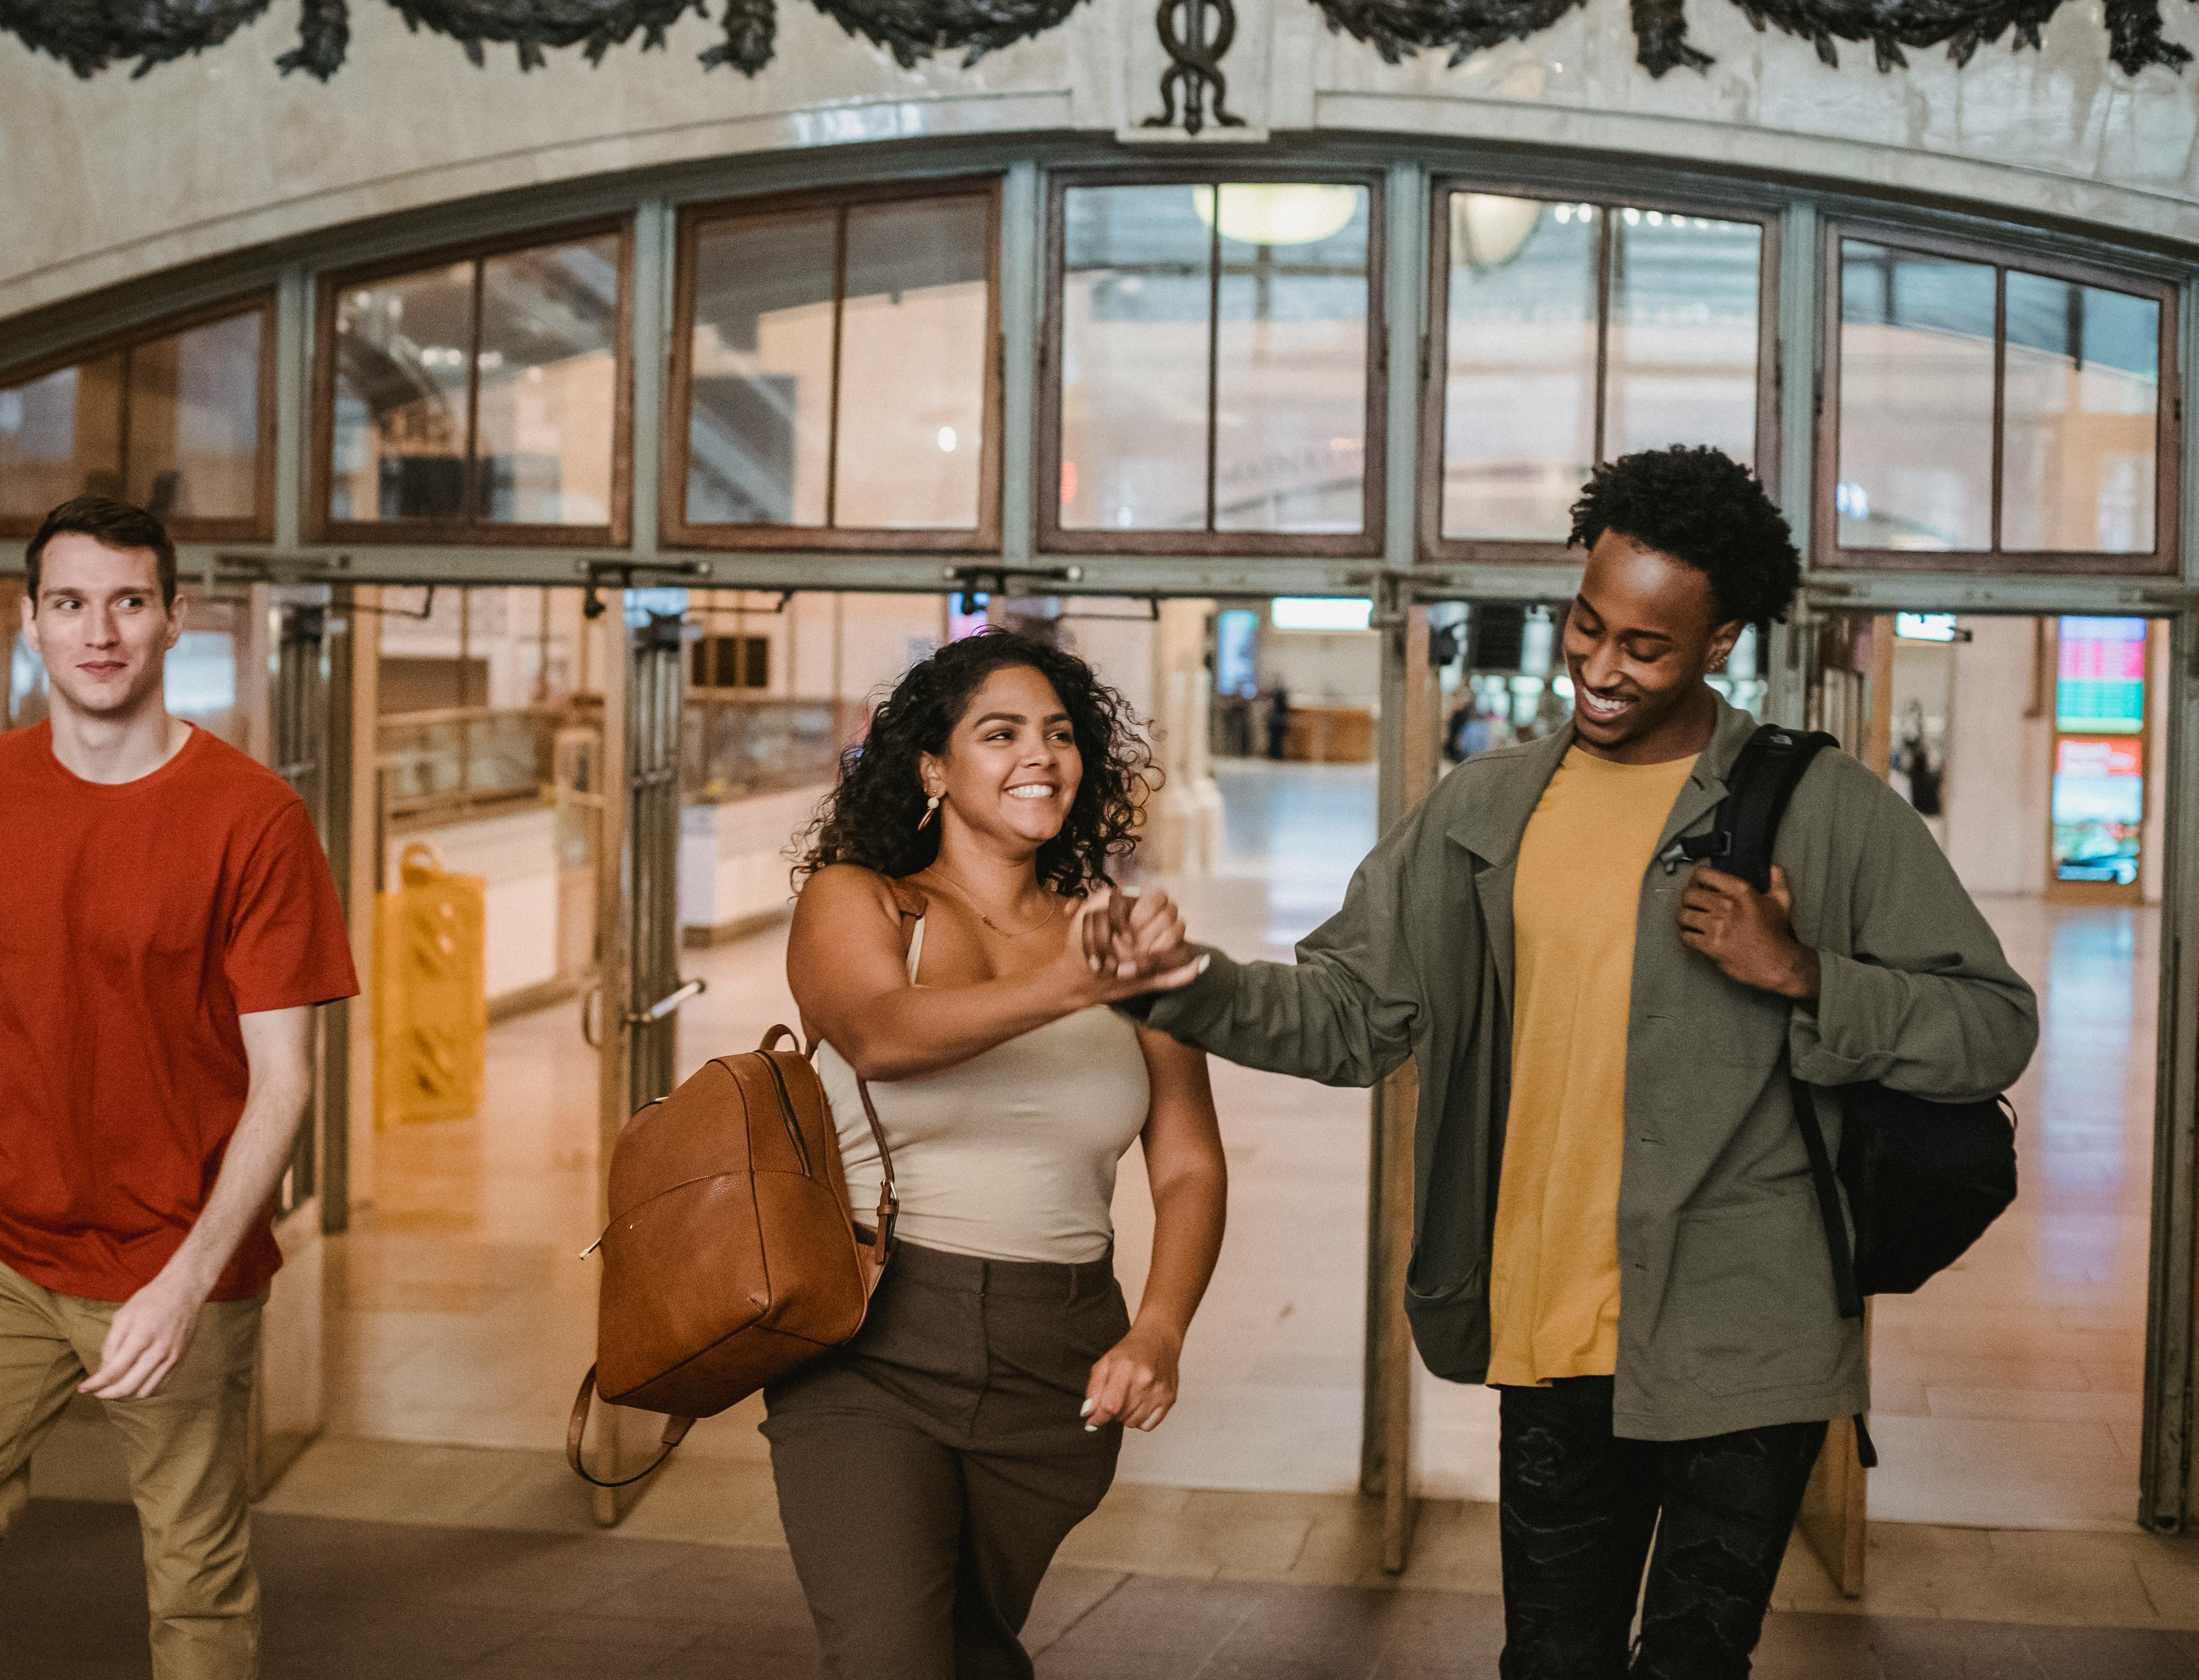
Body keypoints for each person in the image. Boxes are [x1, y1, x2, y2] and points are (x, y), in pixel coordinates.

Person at [1088, 447, 2037, 1679]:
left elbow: (1990, 1025)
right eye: (1585, 625)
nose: (1598, 666)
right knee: (1550, 1662)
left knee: (1695, 1666)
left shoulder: (1821, 808)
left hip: (1748, 1337)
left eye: (1644, 646)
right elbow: (1349, 1013)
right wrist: (1184, 983)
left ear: (1721, 641)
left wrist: (1805, 973)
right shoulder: (1486, 809)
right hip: (1548, 1325)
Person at [0, 496, 360, 1680]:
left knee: (196, 1574)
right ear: (33, 623)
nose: (100, 630)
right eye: (71, 602)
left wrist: (188, 1277)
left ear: (174, 618)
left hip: (178, 1247)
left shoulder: (254, 817)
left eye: (129, 602)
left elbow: (284, 1080)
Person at [776, 629, 1227, 1680]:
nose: (1042, 754)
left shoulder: (1120, 939)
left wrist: (1160, 1328)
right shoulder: (862, 900)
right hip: (873, 1336)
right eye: (1002, 732)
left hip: (1058, 1351)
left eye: (1061, 735)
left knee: (972, 1654)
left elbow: (1188, 1166)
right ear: (933, 767)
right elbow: (883, 1033)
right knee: (893, 1657)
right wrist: (1077, 983)